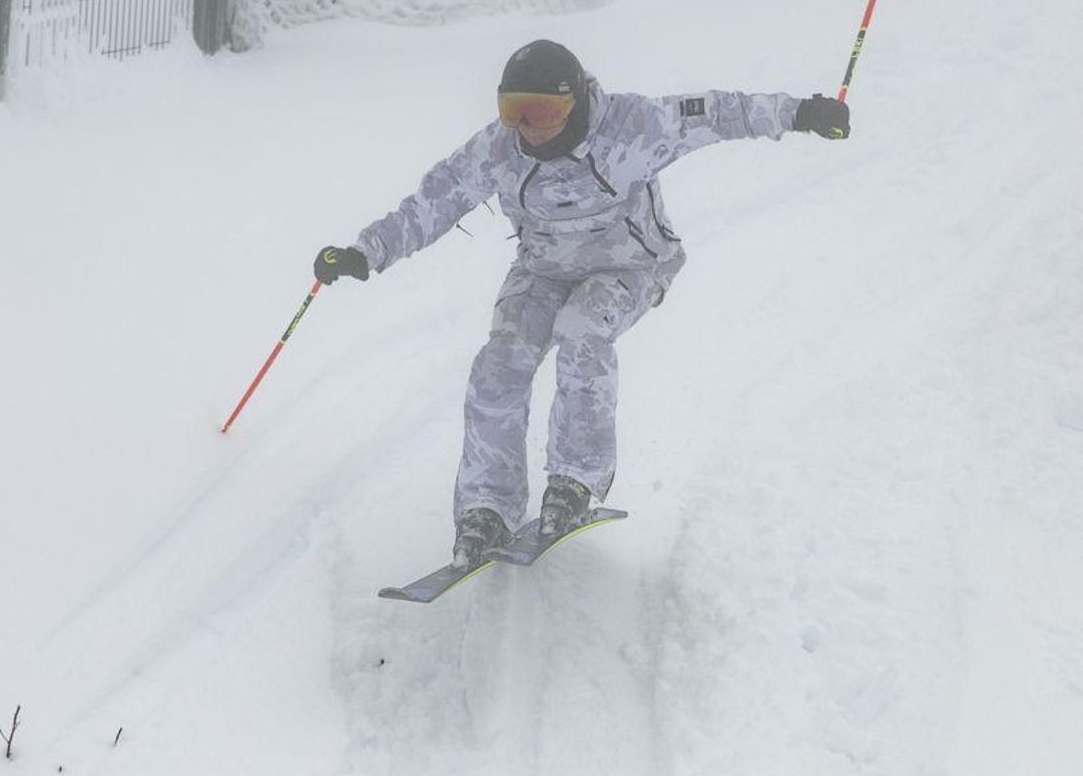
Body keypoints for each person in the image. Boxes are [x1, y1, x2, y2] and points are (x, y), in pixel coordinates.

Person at [313, 39, 850, 567]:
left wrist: (802, 112)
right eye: (513, 112)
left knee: (581, 331)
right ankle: (486, 506)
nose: (528, 128)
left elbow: (719, 112)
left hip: (629, 268)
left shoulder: (633, 128)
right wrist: (365, 253)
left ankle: (574, 480)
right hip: (542, 272)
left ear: (574, 106)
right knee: (498, 364)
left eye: (542, 113)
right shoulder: (498, 151)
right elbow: (431, 202)